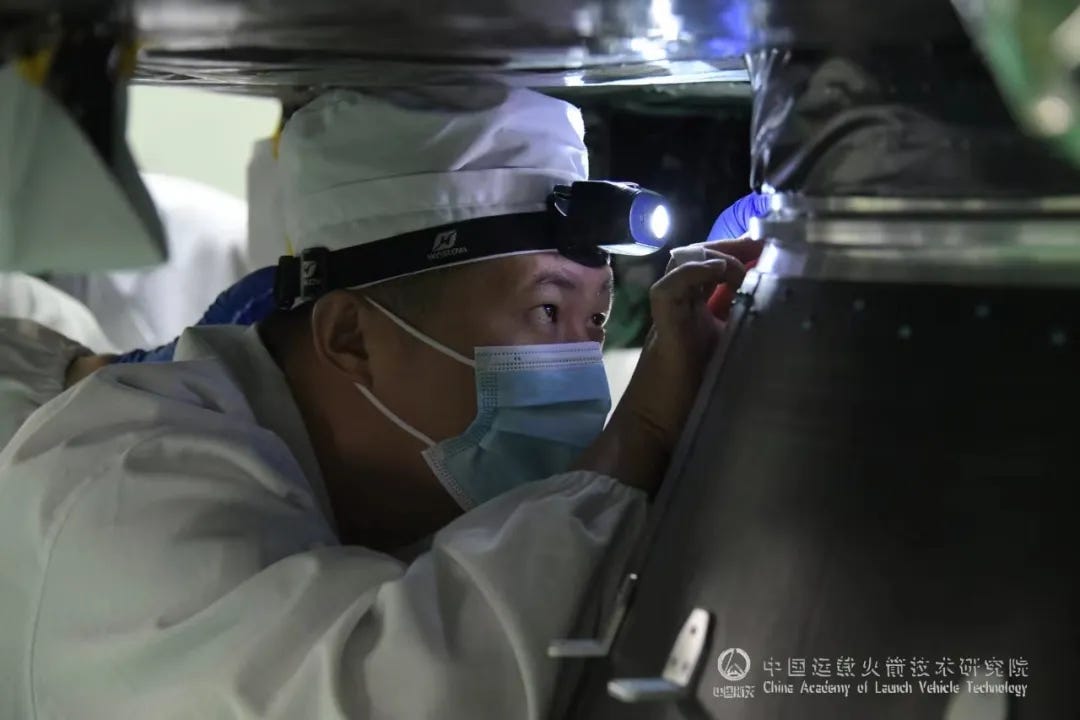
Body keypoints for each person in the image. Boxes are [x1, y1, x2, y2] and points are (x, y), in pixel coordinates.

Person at [0, 86, 758, 719]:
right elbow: (398, 691)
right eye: (546, 313)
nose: (577, 366)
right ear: (352, 336)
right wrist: (642, 435)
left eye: (596, 321)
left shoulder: (410, 486)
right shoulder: (131, 484)